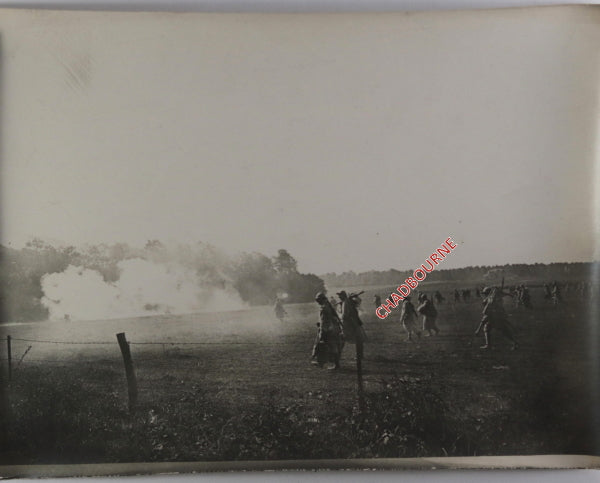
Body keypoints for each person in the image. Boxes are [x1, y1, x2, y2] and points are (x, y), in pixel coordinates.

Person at [312, 292, 344, 369]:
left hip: (328, 330)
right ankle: (335, 363)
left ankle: (322, 362)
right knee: (334, 347)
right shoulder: (328, 307)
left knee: (325, 346)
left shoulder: (323, 309)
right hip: (334, 329)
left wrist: (322, 332)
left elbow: (323, 322)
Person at [337, 290, 366, 360]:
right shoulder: (347, 302)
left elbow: (345, 315)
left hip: (349, 324)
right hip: (353, 323)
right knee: (358, 340)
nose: (339, 297)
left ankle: (337, 357)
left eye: (340, 296)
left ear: (343, 296)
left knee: (342, 339)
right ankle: (360, 356)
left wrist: (340, 318)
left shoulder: (346, 302)